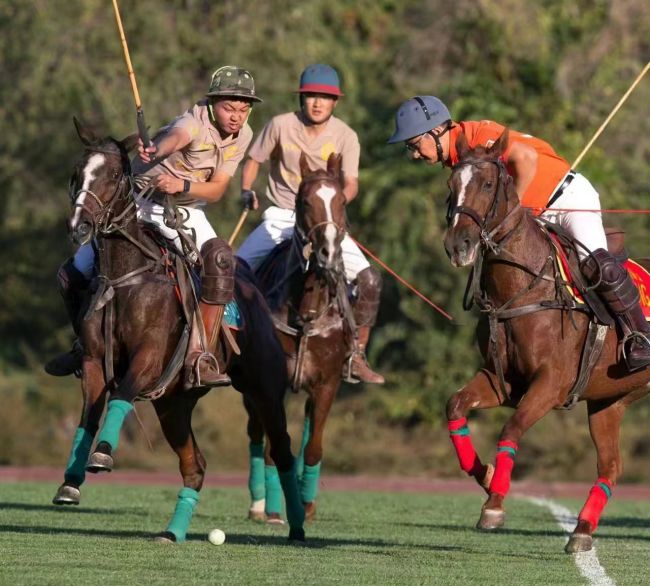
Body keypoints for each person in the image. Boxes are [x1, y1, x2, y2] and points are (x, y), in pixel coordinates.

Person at [387, 95, 650, 370]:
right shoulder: (460, 161)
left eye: (414, 145)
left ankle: (639, 336)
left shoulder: (479, 138)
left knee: (598, 265)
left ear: (436, 131)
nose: (414, 154)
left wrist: (515, 210)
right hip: (536, 216)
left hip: (567, 199)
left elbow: (526, 158)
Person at [45, 66, 262, 386]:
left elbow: (216, 190)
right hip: (140, 205)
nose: (236, 116)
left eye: (244, 109)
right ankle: (83, 346)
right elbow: (175, 139)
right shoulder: (191, 123)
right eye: (229, 107)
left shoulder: (244, 135)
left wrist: (182, 186)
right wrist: (155, 150)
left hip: (187, 209)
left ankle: (200, 356)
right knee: (71, 274)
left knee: (220, 262)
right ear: (212, 103)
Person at [236, 63, 384, 384]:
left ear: (335, 102)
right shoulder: (280, 125)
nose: (316, 103)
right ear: (301, 99)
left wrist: (335, 205)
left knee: (369, 279)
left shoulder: (346, 136)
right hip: (282, 215)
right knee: (235, 269)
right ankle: (230, 344)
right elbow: (253, 161)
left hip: (325, 220)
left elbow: (352, 182)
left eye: (324, 97)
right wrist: (247, 190)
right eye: (310, 96)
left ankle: (356, 354)